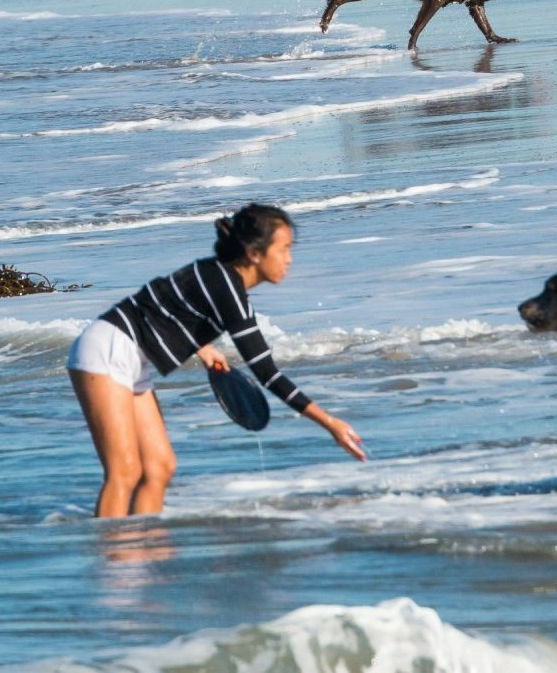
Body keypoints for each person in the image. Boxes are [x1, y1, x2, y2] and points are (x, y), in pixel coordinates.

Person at [66, 204, 365, 517]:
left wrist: (202, 346)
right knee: (124, 472)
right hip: (107, 348)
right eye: (284, 248)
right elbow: (267, 373)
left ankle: (142, 551)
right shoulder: (226, 287)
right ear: (255, 253)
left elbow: (168, 305)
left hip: (131, 354)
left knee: (160, 467)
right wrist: (330, 423)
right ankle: (114, 559)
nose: (289, 258)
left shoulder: (218, 277)